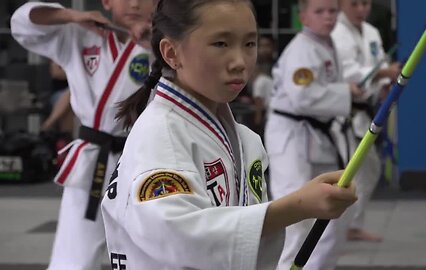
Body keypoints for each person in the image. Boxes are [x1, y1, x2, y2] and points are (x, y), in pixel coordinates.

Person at [101, 1, 357, 269]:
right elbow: (180, 235)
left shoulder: (244, 139)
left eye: (249, 44)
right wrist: (298, 206)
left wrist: (300, 204)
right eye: (221, 44)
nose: (239, 62)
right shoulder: (160, 134)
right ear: (171, 52)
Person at [11, 0, 155, 268]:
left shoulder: (170, 45)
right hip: (92, 161)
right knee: (72, 257)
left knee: (147, 255)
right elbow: (22, 23)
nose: (134, 3)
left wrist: (153, 44)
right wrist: (72, 15)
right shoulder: (79, 34)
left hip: (145, 160)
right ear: (107, 2)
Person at [264, 0, 364, 269]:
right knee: (296, 220)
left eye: (332, 11)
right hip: (292, 138)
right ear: (304, 16)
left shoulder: (326, 45)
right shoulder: (301, 50)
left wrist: (349, 92)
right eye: (320, 12)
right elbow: (303, 97)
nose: (328, 17)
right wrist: (347, 93)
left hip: (319, 135)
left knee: (335, 209)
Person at [331, 0, 401, 242]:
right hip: (338, 115)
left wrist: (384, 86)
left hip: (362, 112)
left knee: (368, 170)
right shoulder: (335, 31)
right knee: (346, 173)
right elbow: (348, 72)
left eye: (365, 4)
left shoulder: (371, 32)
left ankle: (350, 226)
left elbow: (379, 62)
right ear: (341, 5)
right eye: (354, 4)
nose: (361, 9)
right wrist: (384, 73)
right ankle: (337, 228)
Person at [251, 35, 275, 136]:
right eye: (261, 46)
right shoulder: (250, 66)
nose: (264, 49)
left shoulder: (278, 66)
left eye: (267, 46)